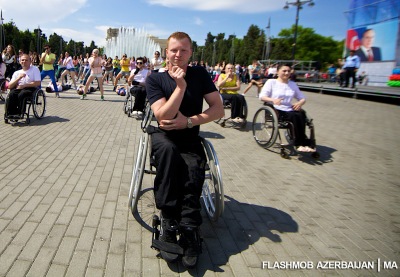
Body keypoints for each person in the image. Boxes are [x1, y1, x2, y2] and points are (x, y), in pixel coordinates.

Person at [145, 31, 224, 268]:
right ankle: (169, 219)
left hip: (189, 135)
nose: (178, 54)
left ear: (190, 53)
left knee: (192, 167)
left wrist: (188, 122)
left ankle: (189, 224)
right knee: (169, 155)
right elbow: (163, 116)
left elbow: (218, 110)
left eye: (183, 50)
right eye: (174, 50)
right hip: (164, 136)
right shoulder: (155, 79)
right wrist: (180, 86)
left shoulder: (200, 74)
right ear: (167, 52)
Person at [259, 64, 316, 153]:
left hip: (289, 108)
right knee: (295, 116)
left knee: (301, 114)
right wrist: (273, 100)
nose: (287, 73)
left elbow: (302, 97)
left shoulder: (292, 84)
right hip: (275, 108)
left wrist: (300, 102)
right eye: (284, 71)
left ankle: (305, 142)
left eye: (289, 71)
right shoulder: (271, 82)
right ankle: (299, 143)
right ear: (277, 72)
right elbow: (262, 96)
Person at [5, 54, 41, 118]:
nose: (24, 61)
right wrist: (19, 78)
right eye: (22, 60)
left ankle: (20, 113)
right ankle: (10, 113)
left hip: (31, 88)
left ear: (30, 61)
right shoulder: (17, 72)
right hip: (19, 88)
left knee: (22, 94)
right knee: (12, 94)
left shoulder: (35, 69)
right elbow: (10, 86)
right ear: (20, 61)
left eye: (26, 60)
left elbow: (38, 83)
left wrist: (25, 85)